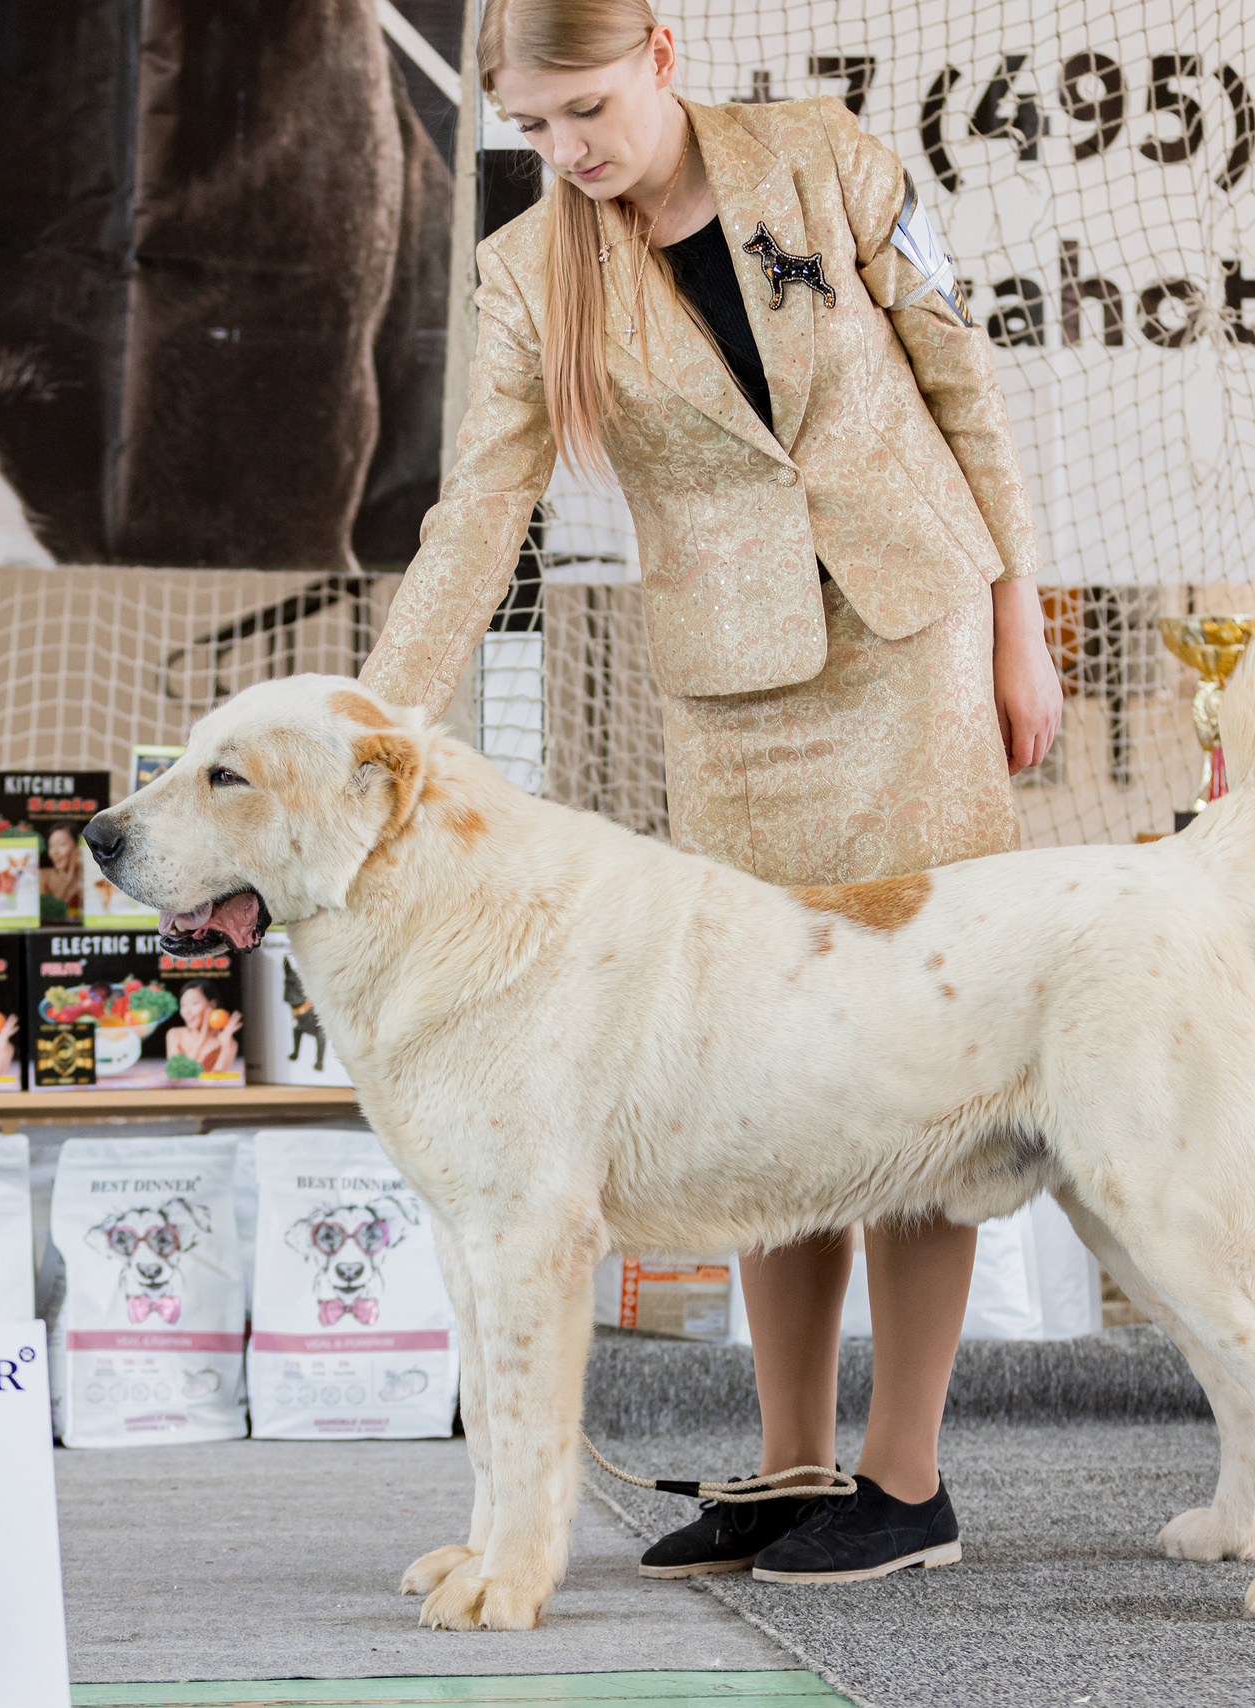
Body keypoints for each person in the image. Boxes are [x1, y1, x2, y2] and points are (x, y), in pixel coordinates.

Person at [356, 0, 1062, 1586]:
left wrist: (1020, 615)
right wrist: (374, 724)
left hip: (920, 644)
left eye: (588, 108)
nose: (571, 150)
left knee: (919, 1045)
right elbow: (476, 518)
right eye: (537, 129)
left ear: (661, 54)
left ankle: (906, 1478)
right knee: (765, 1059)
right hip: (738, 694)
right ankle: (790, 1456)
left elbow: (966, 384)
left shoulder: (827, 158)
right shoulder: (527, 273)